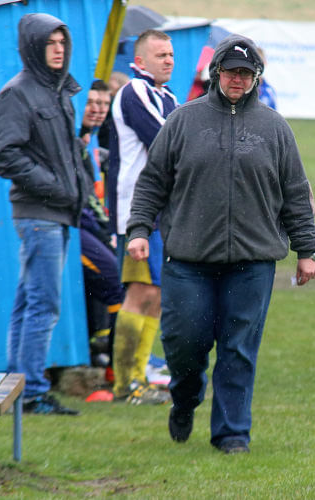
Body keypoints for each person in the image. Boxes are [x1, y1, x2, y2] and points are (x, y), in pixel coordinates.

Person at [126, 34, 315, 454]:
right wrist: (139, 229)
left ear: (256, 78)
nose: (239, 80)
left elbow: (295, 192)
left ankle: (232, 434)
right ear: (217, 73)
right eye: (232, 72)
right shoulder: (183, 121)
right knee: (185, 345)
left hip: (252, 263)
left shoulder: (274, 128)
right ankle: (185, 398)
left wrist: (307, 249)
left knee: (239, 349)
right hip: (188, 260)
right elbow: (152, 183)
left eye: (247, 74)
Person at [0, 13, 92, 415]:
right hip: (39, 213)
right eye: (50, 43)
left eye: (62, 43)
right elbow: (4, 154)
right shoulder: (18, 92)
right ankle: (32, 392)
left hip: (57, 212)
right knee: (43, 304)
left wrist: (79, 163)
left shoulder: (57, 91)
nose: (58, 49)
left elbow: (60, 151)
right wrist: (58, 186)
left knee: (28, 301)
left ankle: (17, 388)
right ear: (33, 46)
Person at [108, 29, 178, 404]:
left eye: (170, 54)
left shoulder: (167, 96)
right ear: (139, 61)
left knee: (157, 294)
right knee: (141, 292)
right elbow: (166, 141)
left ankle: (142, 376)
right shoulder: (135, 91)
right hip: (138, 212)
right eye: (160, 54)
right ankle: (126, 383)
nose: (168, 60)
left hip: (162, 213)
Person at [78, 80, 124, 370]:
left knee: (114, 284)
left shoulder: (91, 141)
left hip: (92, 227)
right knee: (115, 280)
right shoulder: (75, 142)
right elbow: (85, 201)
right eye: (91, 102)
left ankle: (106, 353)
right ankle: (117, 366)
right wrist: (108, 233)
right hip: (77, 228)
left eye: (104, 104)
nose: (97, 109)